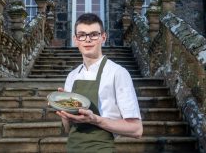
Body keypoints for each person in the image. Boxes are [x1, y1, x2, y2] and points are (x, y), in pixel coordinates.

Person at [56, 13, 143, 153]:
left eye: (94, 34)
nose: (87, 40)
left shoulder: (117, 73)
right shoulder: (72, 76)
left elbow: (137, 129)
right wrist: (63, 112)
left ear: (103, 37)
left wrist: (95, 120)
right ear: (75, 40)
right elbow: (68, 129)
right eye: (82, 35)